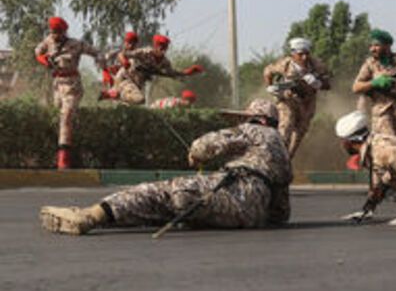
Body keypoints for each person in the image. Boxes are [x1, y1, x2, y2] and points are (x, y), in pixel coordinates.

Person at [39, 99, 293, 235]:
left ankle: (91, 216)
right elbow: (281, 213)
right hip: (250, 216)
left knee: (158, 193)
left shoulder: (254, 130)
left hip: (235, 189)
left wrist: (195, 155)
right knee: (170, 208)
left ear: (257, 118)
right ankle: (109, 216)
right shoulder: (281, 148)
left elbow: (206, 145)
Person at [34, 17, 106, 169]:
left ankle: (63, 158)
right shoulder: (48, 41)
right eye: (53, 32)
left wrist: (103, 66)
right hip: (56, 86)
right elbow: (37, 52)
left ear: (64, 31)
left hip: (72, 86)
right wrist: (43, 59)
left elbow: (97, 52)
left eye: (58, 32)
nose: (55, 35)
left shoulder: (76, 44)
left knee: (65, 116)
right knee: (55, 117)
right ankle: (61, 151)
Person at [263, 37, 332, 157]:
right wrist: (270, 87)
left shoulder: (317, 65)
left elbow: (328, 84)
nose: (304, 58)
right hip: (288, 99)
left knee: (300, 132)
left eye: (307, 54)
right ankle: (278, 155)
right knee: (286, 126)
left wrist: (318, 83)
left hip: (307, 102)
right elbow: (267, 71)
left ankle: (288, 157)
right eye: (300, 54)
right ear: (293, 54)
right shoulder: (285, 64)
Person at [99, 34, 204, 105]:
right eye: (160, 46)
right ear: (155, 46)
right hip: (126, 78)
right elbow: (122, 54)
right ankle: (113, 94)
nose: (162, 49)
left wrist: (188, 72)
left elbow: (172, 73)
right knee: (140, 100)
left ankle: (112, 94)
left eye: (165, 47)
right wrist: (124, 62)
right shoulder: (145, 52)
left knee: (130, 106)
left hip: (136, 84)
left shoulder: (164, 62)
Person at [352, 29, 396, 139]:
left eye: (376, 45)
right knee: (387, 143)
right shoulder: (370, 64)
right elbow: (356, 87)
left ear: (387, 46)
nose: (372, 49)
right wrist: (374, 83)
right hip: (382, 114)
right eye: (371, 46)